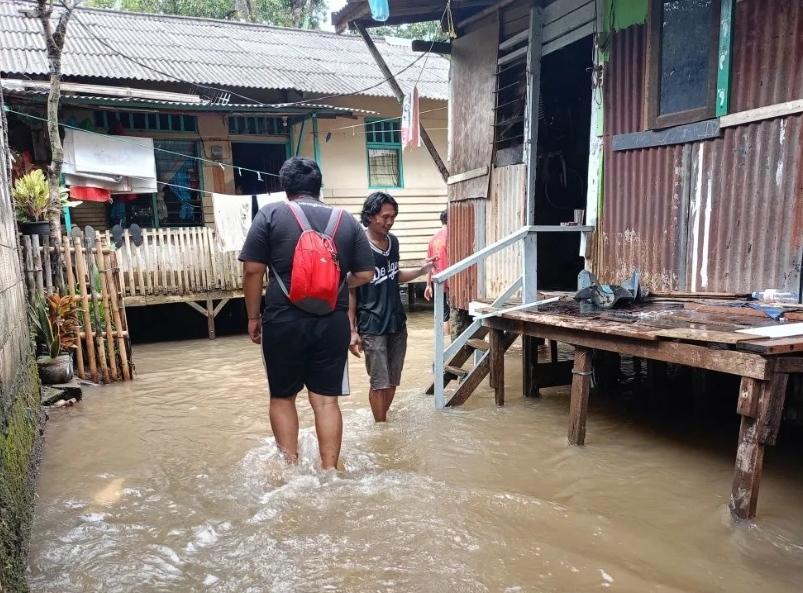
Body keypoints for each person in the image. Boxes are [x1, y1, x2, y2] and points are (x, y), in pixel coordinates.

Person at [240, 157, 374, 470]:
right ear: (318, 185)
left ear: (285, 187)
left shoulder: (271, 214)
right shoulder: (347, 220)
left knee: (283, 397)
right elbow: (366, 274)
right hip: (332, 321)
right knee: (326, 400)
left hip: (282, 320)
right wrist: (337, 284)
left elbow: (252, 270)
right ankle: (329, 471)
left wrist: (253, 316)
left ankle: (290, 470)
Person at [348, 192, 435, 423]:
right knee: (379, 382)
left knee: (393, 380)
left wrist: (421, 270)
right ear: (370, 216)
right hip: (371, 324)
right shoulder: (359, 246)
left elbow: (394, 276)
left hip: (397, 322)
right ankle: (380, 427)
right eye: (384, 216)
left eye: (393, 217)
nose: (389, 221)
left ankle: (383, 418)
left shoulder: (393, 241)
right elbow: (351, 290)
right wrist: (352, 330)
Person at [424, 209, 449, 335]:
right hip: (452, 281)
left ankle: (441, 340)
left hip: (437, 281)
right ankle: (448, 342)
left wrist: (428, 285)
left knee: (441, 313)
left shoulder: (433, 239)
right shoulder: (452, 237)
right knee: (449, 314)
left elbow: (428, 264)